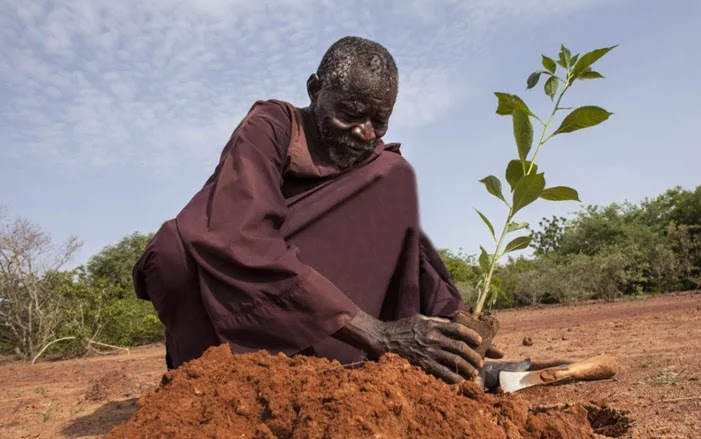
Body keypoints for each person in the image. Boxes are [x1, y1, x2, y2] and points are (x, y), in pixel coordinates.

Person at [132, 36, 505, 385]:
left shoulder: (377, 164)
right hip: (238, 294)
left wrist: (453, 321)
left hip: (317, 308)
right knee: (174, 252)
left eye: (379, 121)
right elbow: (240, 236)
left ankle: (360, 367)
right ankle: (204, 375)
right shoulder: (270, 128)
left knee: (394, 175)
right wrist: (378, 334)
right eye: (351, 114)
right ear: (315, 90)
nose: (365, 133)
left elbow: (409, 247)